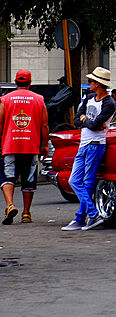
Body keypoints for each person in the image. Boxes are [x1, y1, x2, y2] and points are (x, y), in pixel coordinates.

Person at [63, 67, 116, 230]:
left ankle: (82, 217)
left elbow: (92, 124)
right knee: (75, 180)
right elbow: (78, 120)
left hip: (95, 144)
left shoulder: (109, 103)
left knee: (87, 182)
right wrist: (87, 120)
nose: (89, 83)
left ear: (98, 84)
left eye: (92, 81)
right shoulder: (89, 97)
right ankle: (91, 215)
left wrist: (86, 119)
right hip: (85, 143)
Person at [0, 70, 49, 224]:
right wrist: (45, 145)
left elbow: (0, 122)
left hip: (9, 145)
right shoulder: (39, 100)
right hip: (31, 145)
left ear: (15, 82)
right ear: (30, 82)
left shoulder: (5, 99)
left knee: (8, 177)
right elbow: (45, 125)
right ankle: (26, 213)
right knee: (29, 179)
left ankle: (10, 205)